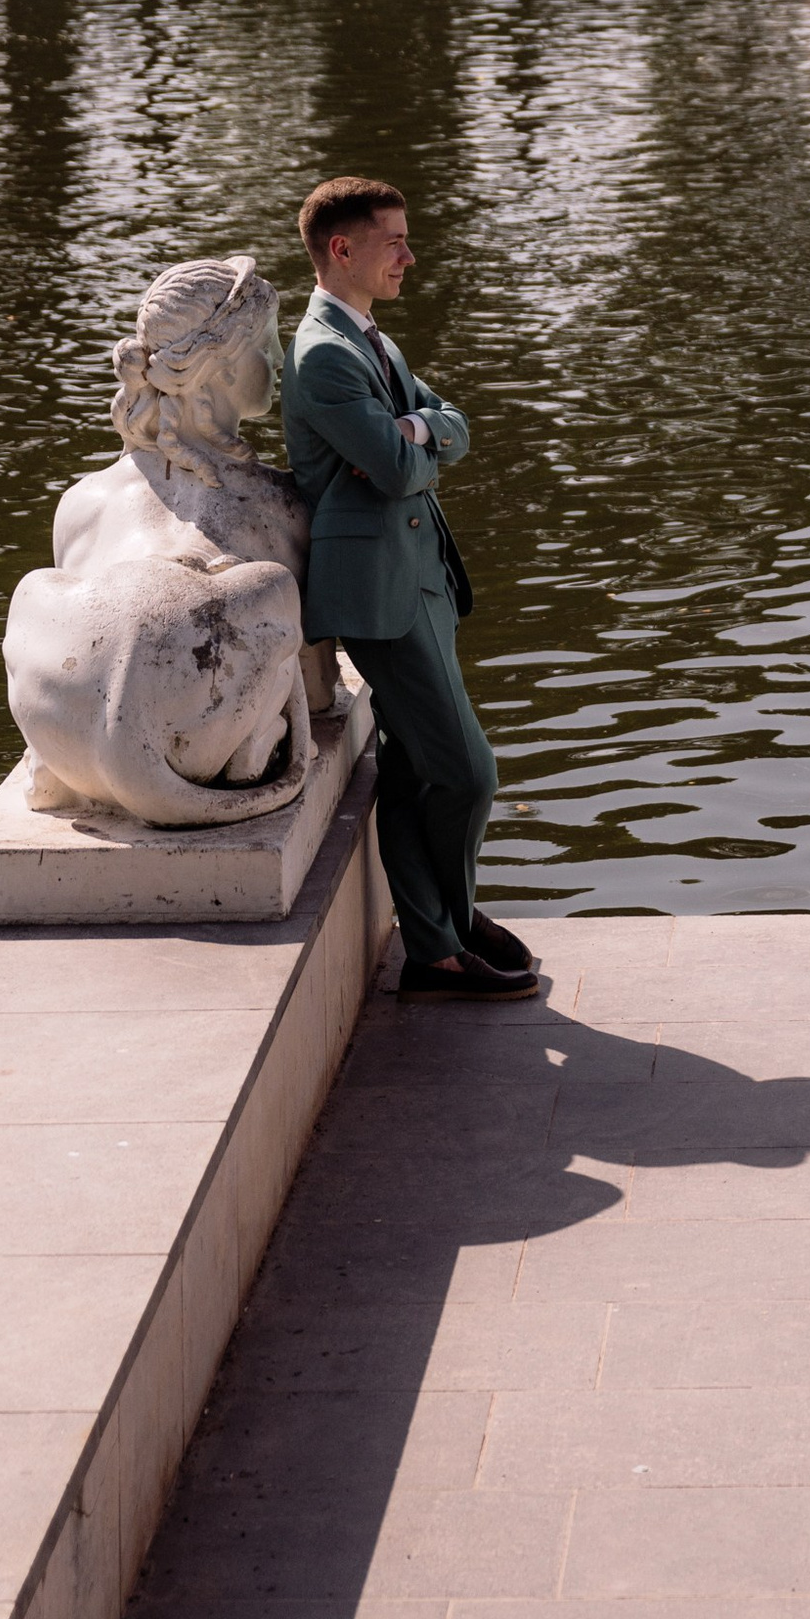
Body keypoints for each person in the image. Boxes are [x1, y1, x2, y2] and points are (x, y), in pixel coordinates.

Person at [284, 175, 540, 1004]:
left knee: (413, 769)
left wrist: (418, 426)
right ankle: (446, 931)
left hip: (422, 577)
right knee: (469, 772)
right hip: (380, 595)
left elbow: (449, 425)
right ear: (341, 249)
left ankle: (438, 940)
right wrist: (410, 443)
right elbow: (395, 471)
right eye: (392, 240)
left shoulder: (374, 342)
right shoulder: (324, 352)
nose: (408, 254)